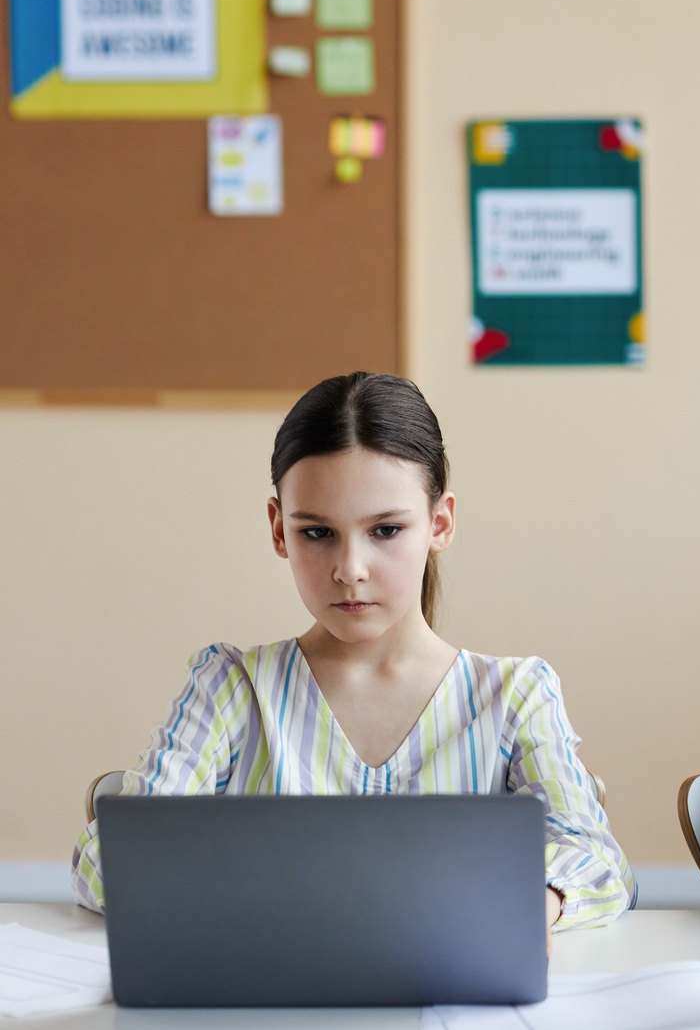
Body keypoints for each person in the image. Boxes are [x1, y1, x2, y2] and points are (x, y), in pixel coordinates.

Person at [71, 372, 634, 934]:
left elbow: (597, 861)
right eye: (317, 533)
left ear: (440, 524)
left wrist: (536, 900)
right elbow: (107, 860)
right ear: (278, 530)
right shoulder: (232, 687)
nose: (350, 569)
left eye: (386, 530)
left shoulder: (516, 696)